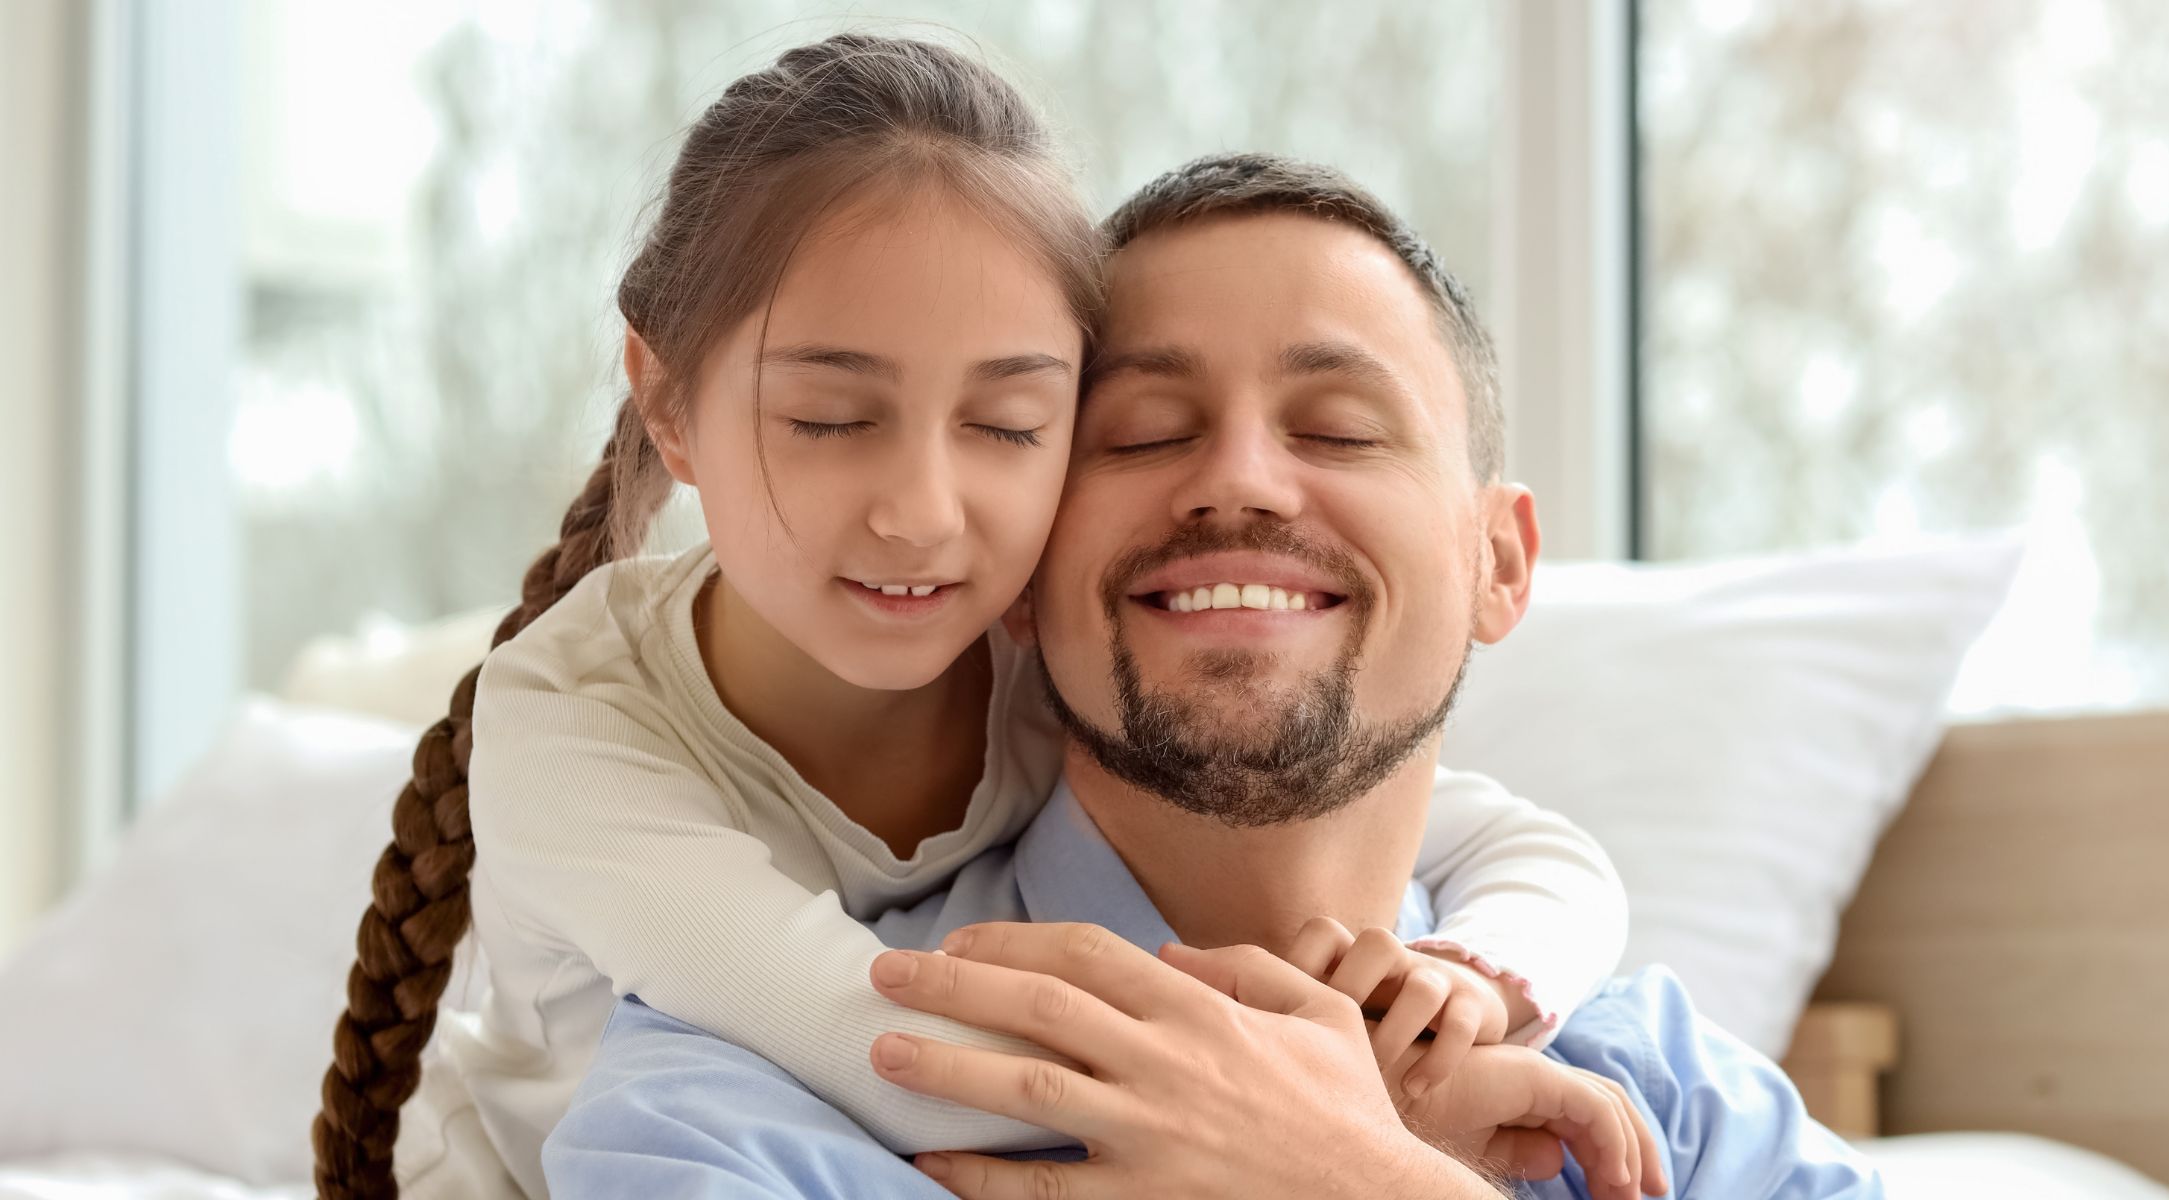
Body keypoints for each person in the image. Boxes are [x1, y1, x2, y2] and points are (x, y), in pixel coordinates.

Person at [311, 37, 1641, 1200]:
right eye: (830, 418)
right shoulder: (574, 734)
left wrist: (1487, 982)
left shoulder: (1015, 647)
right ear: (667, 404)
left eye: (1011, 425)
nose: (924, 515)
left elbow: (1515, 840)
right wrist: (1359, 1122)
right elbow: (877, 1046)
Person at [540, 153, 1884, 1199]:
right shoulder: (735, 1092)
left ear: (1500, 564)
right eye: (1140, 433)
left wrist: (1377, 1178)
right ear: (1012, 583)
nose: (1238, 477)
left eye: (1340, 428)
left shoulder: (1659, 1091)